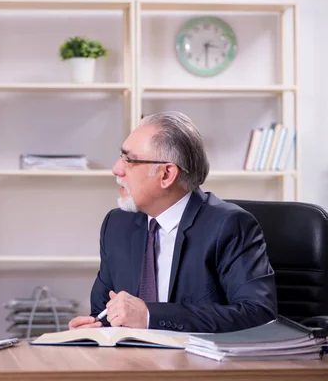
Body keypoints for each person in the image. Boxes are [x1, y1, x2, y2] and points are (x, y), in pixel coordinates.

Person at [69, 111, 277, 333]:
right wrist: (93, 328)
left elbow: (258, 314)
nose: (117, 169)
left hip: (197, 365)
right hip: (130, 364)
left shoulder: (230, 225)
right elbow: (105, 313)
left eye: (129, 160)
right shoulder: (117, 224)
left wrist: (150, 316)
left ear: (167, 174)